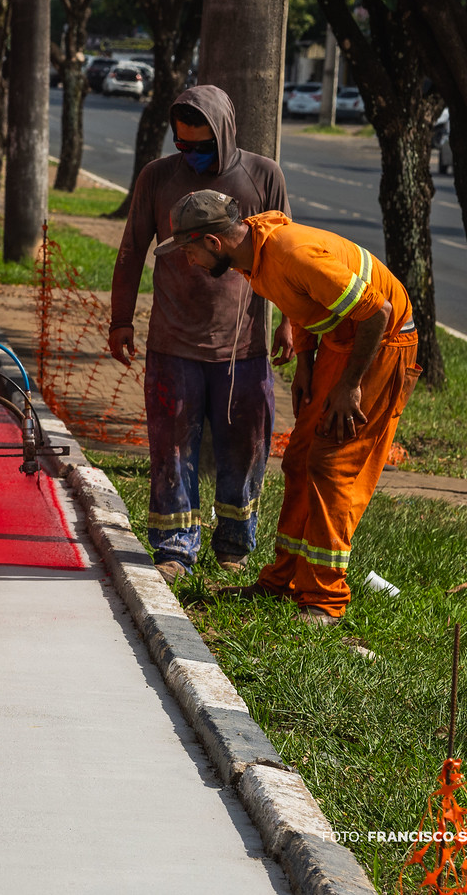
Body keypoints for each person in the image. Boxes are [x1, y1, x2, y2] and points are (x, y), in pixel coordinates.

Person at [156, 190, 421, 626]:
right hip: (341, 341)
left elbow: (377, 313)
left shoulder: (290, 254)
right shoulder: (252, 257)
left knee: (330, 465)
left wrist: (349, 385)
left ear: (213, 242)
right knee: (299, 462)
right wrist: (305, 363)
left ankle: (325, 600)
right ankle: (282, 581)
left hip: (380, 344)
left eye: (189, 250)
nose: (189, 261)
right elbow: (302, 302)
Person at [109, 86, 290, 581]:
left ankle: (234, 545)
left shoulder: (263, 176)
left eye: (201, 146)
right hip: (173, 344)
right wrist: (120, 319)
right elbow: (131, 252)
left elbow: (284, 253)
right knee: (171, 448)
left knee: (245, 447)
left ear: (226, 132)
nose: (189, 156)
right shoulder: (158, 177)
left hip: (243, 347)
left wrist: (289, 323)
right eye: (182, 145)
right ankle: (174, 549)